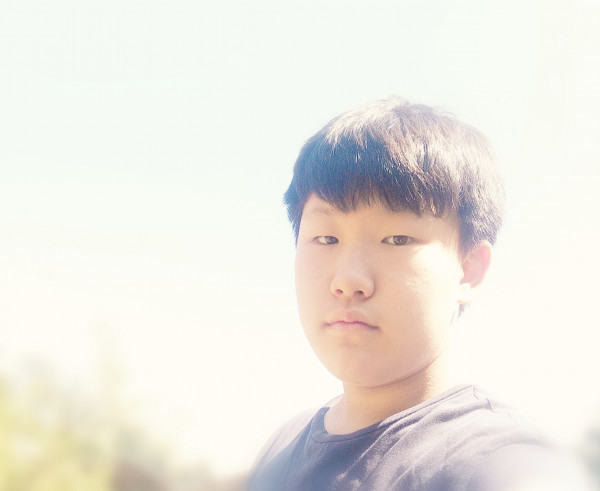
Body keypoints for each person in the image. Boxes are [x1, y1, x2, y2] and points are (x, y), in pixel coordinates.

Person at [246, 97, 588, 490]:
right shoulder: (280, 447)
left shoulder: (501, 465)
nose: (349, 280)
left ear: (469, 269)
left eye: (396, 239)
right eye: (326, 238)